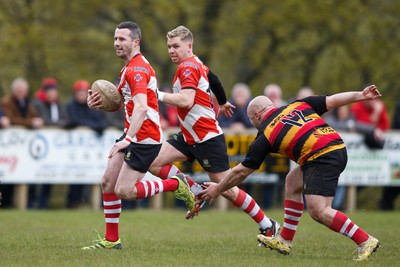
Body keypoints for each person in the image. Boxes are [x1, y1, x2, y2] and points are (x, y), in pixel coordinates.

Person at [201, 84, 382, 261]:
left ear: (257, 115)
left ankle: (365, 240)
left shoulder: (266, 133)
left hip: (322, 157)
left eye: (251, 120)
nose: (253, 124)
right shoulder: (299, 104)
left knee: (319, 211)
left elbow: (241, 172)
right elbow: (333, 100)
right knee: (292, 182)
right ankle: (284, 240)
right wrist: (361, 94)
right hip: (337, 147)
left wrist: (217, 190)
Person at [150, 25, 280, 237]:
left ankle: (268, 224)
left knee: (228, 189)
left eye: (176, 46)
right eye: (169, 46)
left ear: (189, 46)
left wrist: (155, 94)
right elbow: (215, 79)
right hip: (189, 136)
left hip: (207, 139)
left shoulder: (188, 67)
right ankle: (192, 190)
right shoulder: (195, 63)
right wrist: (222, 102)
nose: (171, 50)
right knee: (153, 161)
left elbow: (186, 100)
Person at [81, 21, 195, 250]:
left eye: (122, 39)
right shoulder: (128, 68)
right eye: (115, 39)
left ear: (136, 42)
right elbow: (126, 104)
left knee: (124, 191)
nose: (116, 43)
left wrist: (128, 139)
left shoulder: (137, 69)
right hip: (134, 134)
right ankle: (112, 241)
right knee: (108, 182)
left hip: (145, 139)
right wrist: (99, 104)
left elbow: (141, 108)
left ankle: (175, 185)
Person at [1, 77, 44, 208]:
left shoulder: (26, 103)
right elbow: (12, 120)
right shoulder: (6, 103)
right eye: (19, 90)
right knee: (7, 176)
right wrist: (31, 123)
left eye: (23, 90)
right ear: (13, 90)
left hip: (22, 147)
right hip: (8, 147)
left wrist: (36, 120)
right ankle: (6, 203)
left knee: (25, 173)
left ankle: (19, 203)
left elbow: (34, 116)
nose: (21, 92)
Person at [29, 77, 68, 209]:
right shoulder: (38, 103)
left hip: (53, 146)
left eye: (54, 91)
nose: (52, 93)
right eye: (49, 91)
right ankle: (32, 203)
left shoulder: (58, 104)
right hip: (39, 144)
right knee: (34, 174)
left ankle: (43, 204)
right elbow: (44, 120)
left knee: (49, 175)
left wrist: (54, 124)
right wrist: (56, 124)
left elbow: (65, 120)